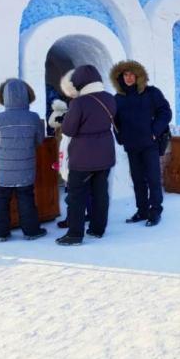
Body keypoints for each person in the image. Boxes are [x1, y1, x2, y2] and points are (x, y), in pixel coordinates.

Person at [56, 65, 117, 246]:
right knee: (100, 193)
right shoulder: (110, 98)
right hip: (105, 153)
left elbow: (68, 129)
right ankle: (98, 229)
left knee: (76, 195)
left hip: (82, 156)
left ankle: (75, 234)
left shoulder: (79, 103)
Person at [110, 60, 172, 226]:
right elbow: (115, 122)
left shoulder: (151, 93)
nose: (129, 78)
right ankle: (142, 210)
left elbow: (165, 113)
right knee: (138, 180)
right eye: (125, 75)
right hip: (131, 145)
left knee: (153, 178)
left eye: (132, 74)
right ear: (120, 77)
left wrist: (154, 132)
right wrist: (120, 137)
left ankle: (155, 211)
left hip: (149, 144)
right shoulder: (118, 98)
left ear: (138, 76)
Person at [0, 79, 47, 242]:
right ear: (27, 95)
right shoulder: (34, 118)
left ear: (4, 97)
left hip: (1, 167)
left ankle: (1, 234)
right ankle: (31, 232)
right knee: (26, 198)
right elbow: (39, 141)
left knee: (0, 199)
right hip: (25, 166)